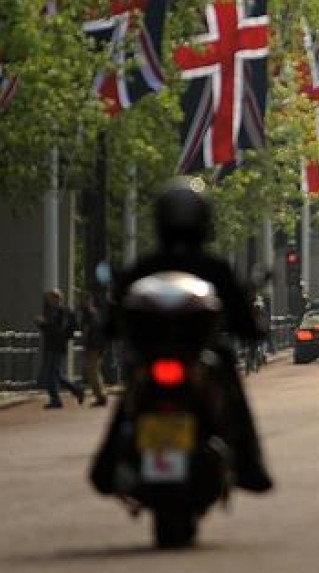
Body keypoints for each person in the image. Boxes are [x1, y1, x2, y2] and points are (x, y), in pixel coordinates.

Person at [92, 176, 273, 494]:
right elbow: (242, 315)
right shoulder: (214, 268)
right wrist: (254, 331)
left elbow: (116, 312)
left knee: (131, 394)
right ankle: (249, 463)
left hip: (156, 355)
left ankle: (106, 466)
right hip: (200, 355)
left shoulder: (146, 266)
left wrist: (107, 332)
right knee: (230, 385)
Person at [36, 289, 85, 408]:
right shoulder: (50, 311)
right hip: (50, 345)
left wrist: (43, 324)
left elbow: (58, 331)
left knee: (50, 374)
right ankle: (77, 390)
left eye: (52, 298)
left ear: (58, 299)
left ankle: (55, 399)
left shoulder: (63, 312)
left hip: (57, 346)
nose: (49, 300)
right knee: (56, 374)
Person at [77, 294, 109, 406]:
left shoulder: (87, 314)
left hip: (92, 346)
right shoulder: (96, 313)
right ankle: (101, 395)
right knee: (95, 371)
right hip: (98, 346)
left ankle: (100, 396)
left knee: (92, 372)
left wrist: (84, 344)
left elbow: (86, 331)